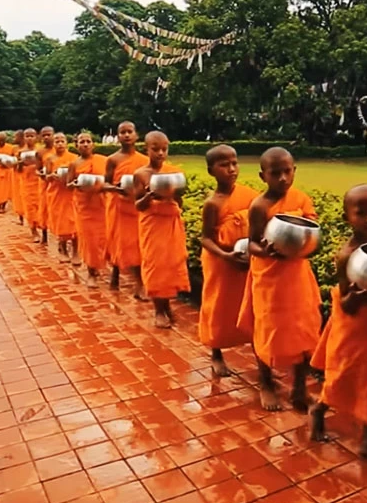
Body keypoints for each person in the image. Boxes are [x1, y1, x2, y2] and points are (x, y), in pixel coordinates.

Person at [308, 184, 367, 466]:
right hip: (355, 326)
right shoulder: (347, 255)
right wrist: (360, 297)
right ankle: (319, 409)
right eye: (361, 212)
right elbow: (347, 302)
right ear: (346, 217)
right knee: (343, 375)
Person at [237, 147, 322, 412]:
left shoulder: (301, 199)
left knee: (304, 328)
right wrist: (269, 251)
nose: (283, 178)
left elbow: (313, 235)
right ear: (264, 176)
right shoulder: (259, 206)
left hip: (297, 275)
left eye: (287, 171)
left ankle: (298, 387)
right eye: (276, 173)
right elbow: (252, 244)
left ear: (294, 170)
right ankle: (265, 382)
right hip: (269, 276)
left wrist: (304, 246)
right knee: (267, 328)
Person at [198, 144, 258, 376]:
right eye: (224, 165)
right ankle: (216, 353)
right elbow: (205, 238)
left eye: (234, 163)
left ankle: (258, 353)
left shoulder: (250, 195)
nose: (231, 169)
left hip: (244, 258)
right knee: (218, 306)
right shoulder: (213, 203)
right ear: (211, 170)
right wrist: (225, 256)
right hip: (220, 260)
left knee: (249, 306)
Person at [133, 132, 190, 328]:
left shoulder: (173, 172)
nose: (160, 153)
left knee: (171, 265)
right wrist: (149, 196)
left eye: (164, 149)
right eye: (155, 149)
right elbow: (138, 205)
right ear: (145, 149)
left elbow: (179, 202)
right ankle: (158, 309)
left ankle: (166, 305)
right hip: (152, 224)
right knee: (156, 266)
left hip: (171, 223)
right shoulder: (140, 174)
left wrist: (176, 194)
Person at [103, 121, 149, 299]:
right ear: (117, 137)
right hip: (119, 206)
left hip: (138, 207)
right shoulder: (113, 160)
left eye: (130, 131)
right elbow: (105, 183)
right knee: (122, 242)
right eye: (122, 132)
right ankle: (133, 281)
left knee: (137, 244)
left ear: (136, 135)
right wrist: (116, 189)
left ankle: (133, 279)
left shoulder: (144, 160)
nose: (126, 135)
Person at [68, 133, 109, 287]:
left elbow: (109, 180)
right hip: (84, 207)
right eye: (82, 142)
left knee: (103, 239)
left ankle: (100, 267)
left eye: (88, 141)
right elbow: (68, 183)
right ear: (76, 145)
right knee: (90, 241)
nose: (85, 144)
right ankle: (91, 272)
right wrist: (77, 185)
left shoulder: (103, 161)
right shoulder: (74, 164)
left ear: (93, 144)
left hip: (102, 205)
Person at [45, 133, 79, 263]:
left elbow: (78, 174)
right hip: (57, 194)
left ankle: (76, 251)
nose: (60, 144)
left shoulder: (74, 158)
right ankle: (63, 249)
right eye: (57, 141)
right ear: (53, 144)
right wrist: (52, 176)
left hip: (71, 194)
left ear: (67, 143)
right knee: (61, 223)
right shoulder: (50, 159)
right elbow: (46, 177)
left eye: (62, 141)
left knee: (75, 223)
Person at [18, 128, 43, 241]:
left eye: (32, 136)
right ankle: (34, 231)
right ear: (24, 138)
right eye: (27, 136)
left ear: (37, 137)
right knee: (30, 208)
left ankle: (43, 229)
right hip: (27, 183)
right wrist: (20, 163)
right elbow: (18, 169)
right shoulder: (21, 152)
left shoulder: (41, 151)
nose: (29, 138)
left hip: (40, 182)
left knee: (41, 207)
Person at [36, 127, 56, 245]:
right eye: (44, 135)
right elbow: (37, 170)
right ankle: (44, 235)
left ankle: (62, 237)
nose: (46, 137)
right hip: (45, 184)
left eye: (49, 135)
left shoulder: (60, 149)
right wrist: (42, 174)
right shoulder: (40, 152)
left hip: (58, 184)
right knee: (44, 209)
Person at [10, 130, 27, 225]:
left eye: (15, 137)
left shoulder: (28, 149)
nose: (13, 139)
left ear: (21, 138)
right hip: (16, 175)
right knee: (18, 197)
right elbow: (12, 160)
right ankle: (21, 217)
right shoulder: (14, 148)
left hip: (26, 176)